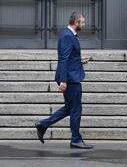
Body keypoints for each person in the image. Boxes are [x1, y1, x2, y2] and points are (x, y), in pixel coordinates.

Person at [35, 12, 93, 149]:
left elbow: (70, 58)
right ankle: (76, 139)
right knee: (76, 109)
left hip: (71, 76)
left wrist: (81, 61)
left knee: (69, 108)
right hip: (70, 79)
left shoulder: (69, 35)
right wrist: (63, 80)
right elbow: (63, 59)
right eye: (82, 22)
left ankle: (43, 124)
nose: (84, 25)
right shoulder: (67, 36)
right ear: (76, 22)